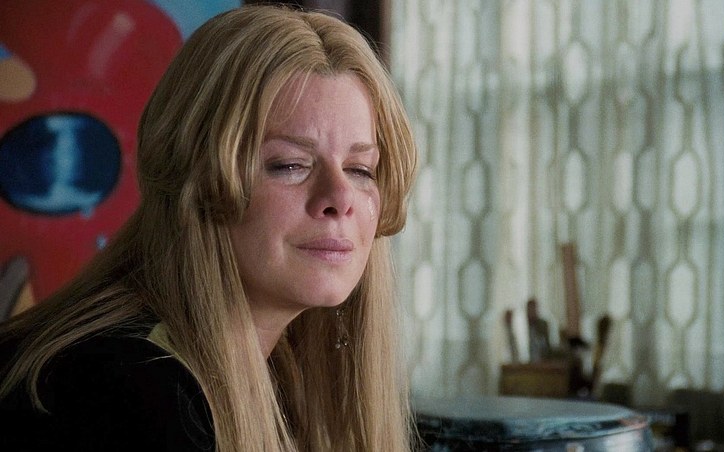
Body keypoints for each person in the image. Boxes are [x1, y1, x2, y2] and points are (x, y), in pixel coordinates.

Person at [0, 4, 418, 451]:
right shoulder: (128, 389)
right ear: (197, 180)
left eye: (360, 169)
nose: (340, 198)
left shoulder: (283, 373)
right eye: (290, 164)